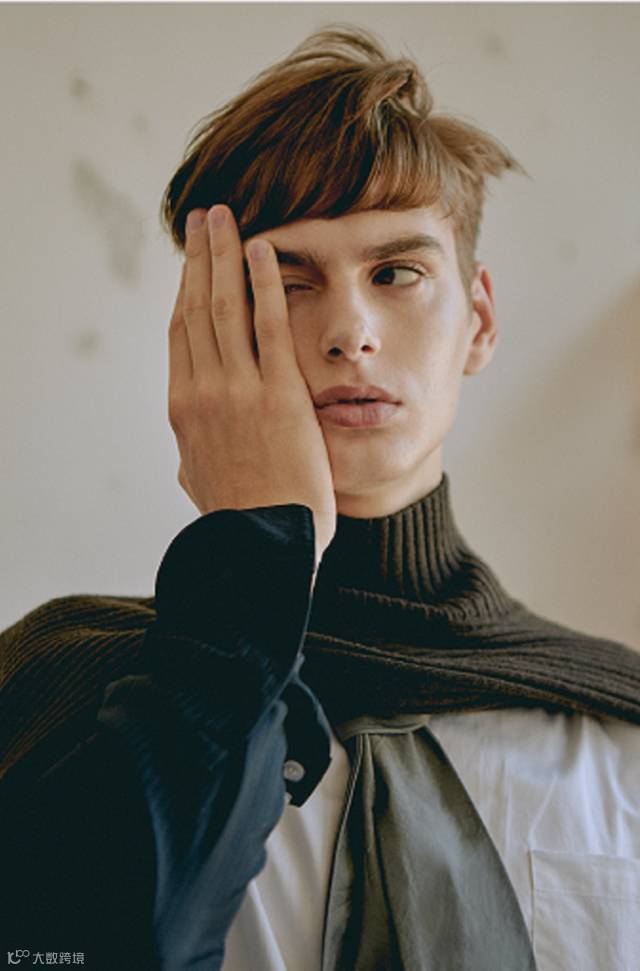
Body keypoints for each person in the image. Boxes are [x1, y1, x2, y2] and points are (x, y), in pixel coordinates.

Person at [2, 24, 640, 971]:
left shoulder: (619, 726)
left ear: (480, 319)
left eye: (397, 272)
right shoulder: (66, 687)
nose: (349, 331)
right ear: (209, 325)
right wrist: (251, 553)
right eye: (287, 282)